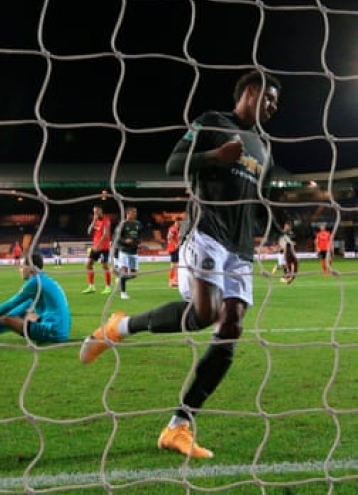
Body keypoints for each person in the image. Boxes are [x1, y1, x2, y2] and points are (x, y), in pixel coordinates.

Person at [79, 70, 283, 459]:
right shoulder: (211, 122)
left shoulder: (265, 148)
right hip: (205, 230)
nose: (273, 107)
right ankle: (117, 328)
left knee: (232, 329)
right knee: (205, 314)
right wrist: (215, 157)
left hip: (240, 249)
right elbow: (173, 163)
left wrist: (286, 239)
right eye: (269, 98)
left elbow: (265, 201)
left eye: (276, 103)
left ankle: (179, 426)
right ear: (250, 92)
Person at [83, 205, 113, 294]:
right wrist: (93, 221)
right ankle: (91, 286)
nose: (95, 213)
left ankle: (108, 287)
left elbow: (106, 234)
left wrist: (98, 245)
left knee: (105, 266)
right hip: (95, 246)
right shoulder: (95, 221)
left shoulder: (106, 220)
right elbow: (88, 232)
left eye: (97, 211)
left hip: (103, 247)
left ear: (101, 211)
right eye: (94, 212)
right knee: (88, 265)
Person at [114, 206, 142, 300]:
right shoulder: (122, 224)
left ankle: (120, 280)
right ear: (128, 213)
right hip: (124, 251)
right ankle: (123, 293)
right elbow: (116, 238)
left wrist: (138, 243)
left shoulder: (138, 224)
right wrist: (125, 241)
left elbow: (139, 236)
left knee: (134, 275)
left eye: (136, 212)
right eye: (133, 212)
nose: (135, 213)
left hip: (133, 252)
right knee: (124, 271)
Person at [166, 220, 181, 288]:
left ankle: (173, 280)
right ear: (176, 222)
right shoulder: (173, 229)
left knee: (174, 265)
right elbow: (169, 237)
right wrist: (175, 244)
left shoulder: (174, 228)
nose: (180, 224)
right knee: (175, 265)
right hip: (174, 249)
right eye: (179, 223)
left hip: (174, 248)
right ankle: (173, 281)